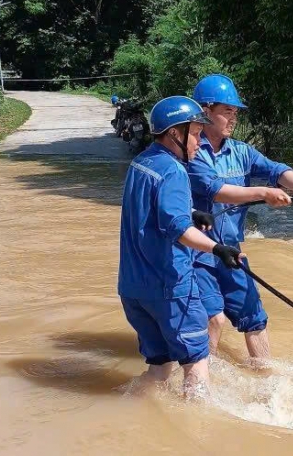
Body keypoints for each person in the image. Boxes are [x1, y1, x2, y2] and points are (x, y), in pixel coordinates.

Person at [188, 74, 293, 364]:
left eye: (235, 112)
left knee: (254, 316)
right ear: (206, 112)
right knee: (215, 319)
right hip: (197, 253)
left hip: (232, 251)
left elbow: (276, 170)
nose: (233, 119)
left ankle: (266, 377)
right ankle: (202, 389)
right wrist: (263, 192)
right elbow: (215, 190)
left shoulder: (241, 152)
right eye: (226, 112)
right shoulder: (193, 151)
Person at [118, 95, 244, 398]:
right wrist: (218, 248)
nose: (199, 143)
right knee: (196, 362)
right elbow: (179, 230)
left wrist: (190, 212)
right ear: (176, 133)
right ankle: (199, 436)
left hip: (133, 290)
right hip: (170, 288)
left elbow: (152, 210)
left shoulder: (142, 163)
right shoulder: (174, 171)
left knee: (160, 368)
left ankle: (128, 408)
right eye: (197, 133)